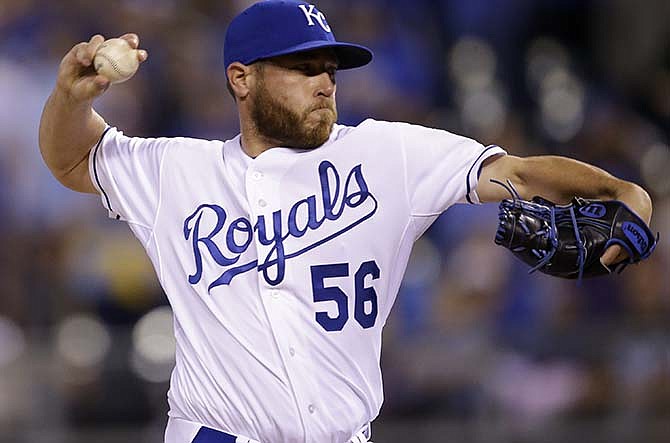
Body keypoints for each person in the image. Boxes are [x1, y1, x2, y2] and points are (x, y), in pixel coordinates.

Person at [39, 1, 653, 442]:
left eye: (330, 68)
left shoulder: (387, 155)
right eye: (303, 69)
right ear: (241, 78)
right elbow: (70, 156)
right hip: (220, 434)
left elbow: (517, 173)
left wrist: (620, 189)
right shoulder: (179, 170)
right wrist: (71, 96)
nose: (325, 83)